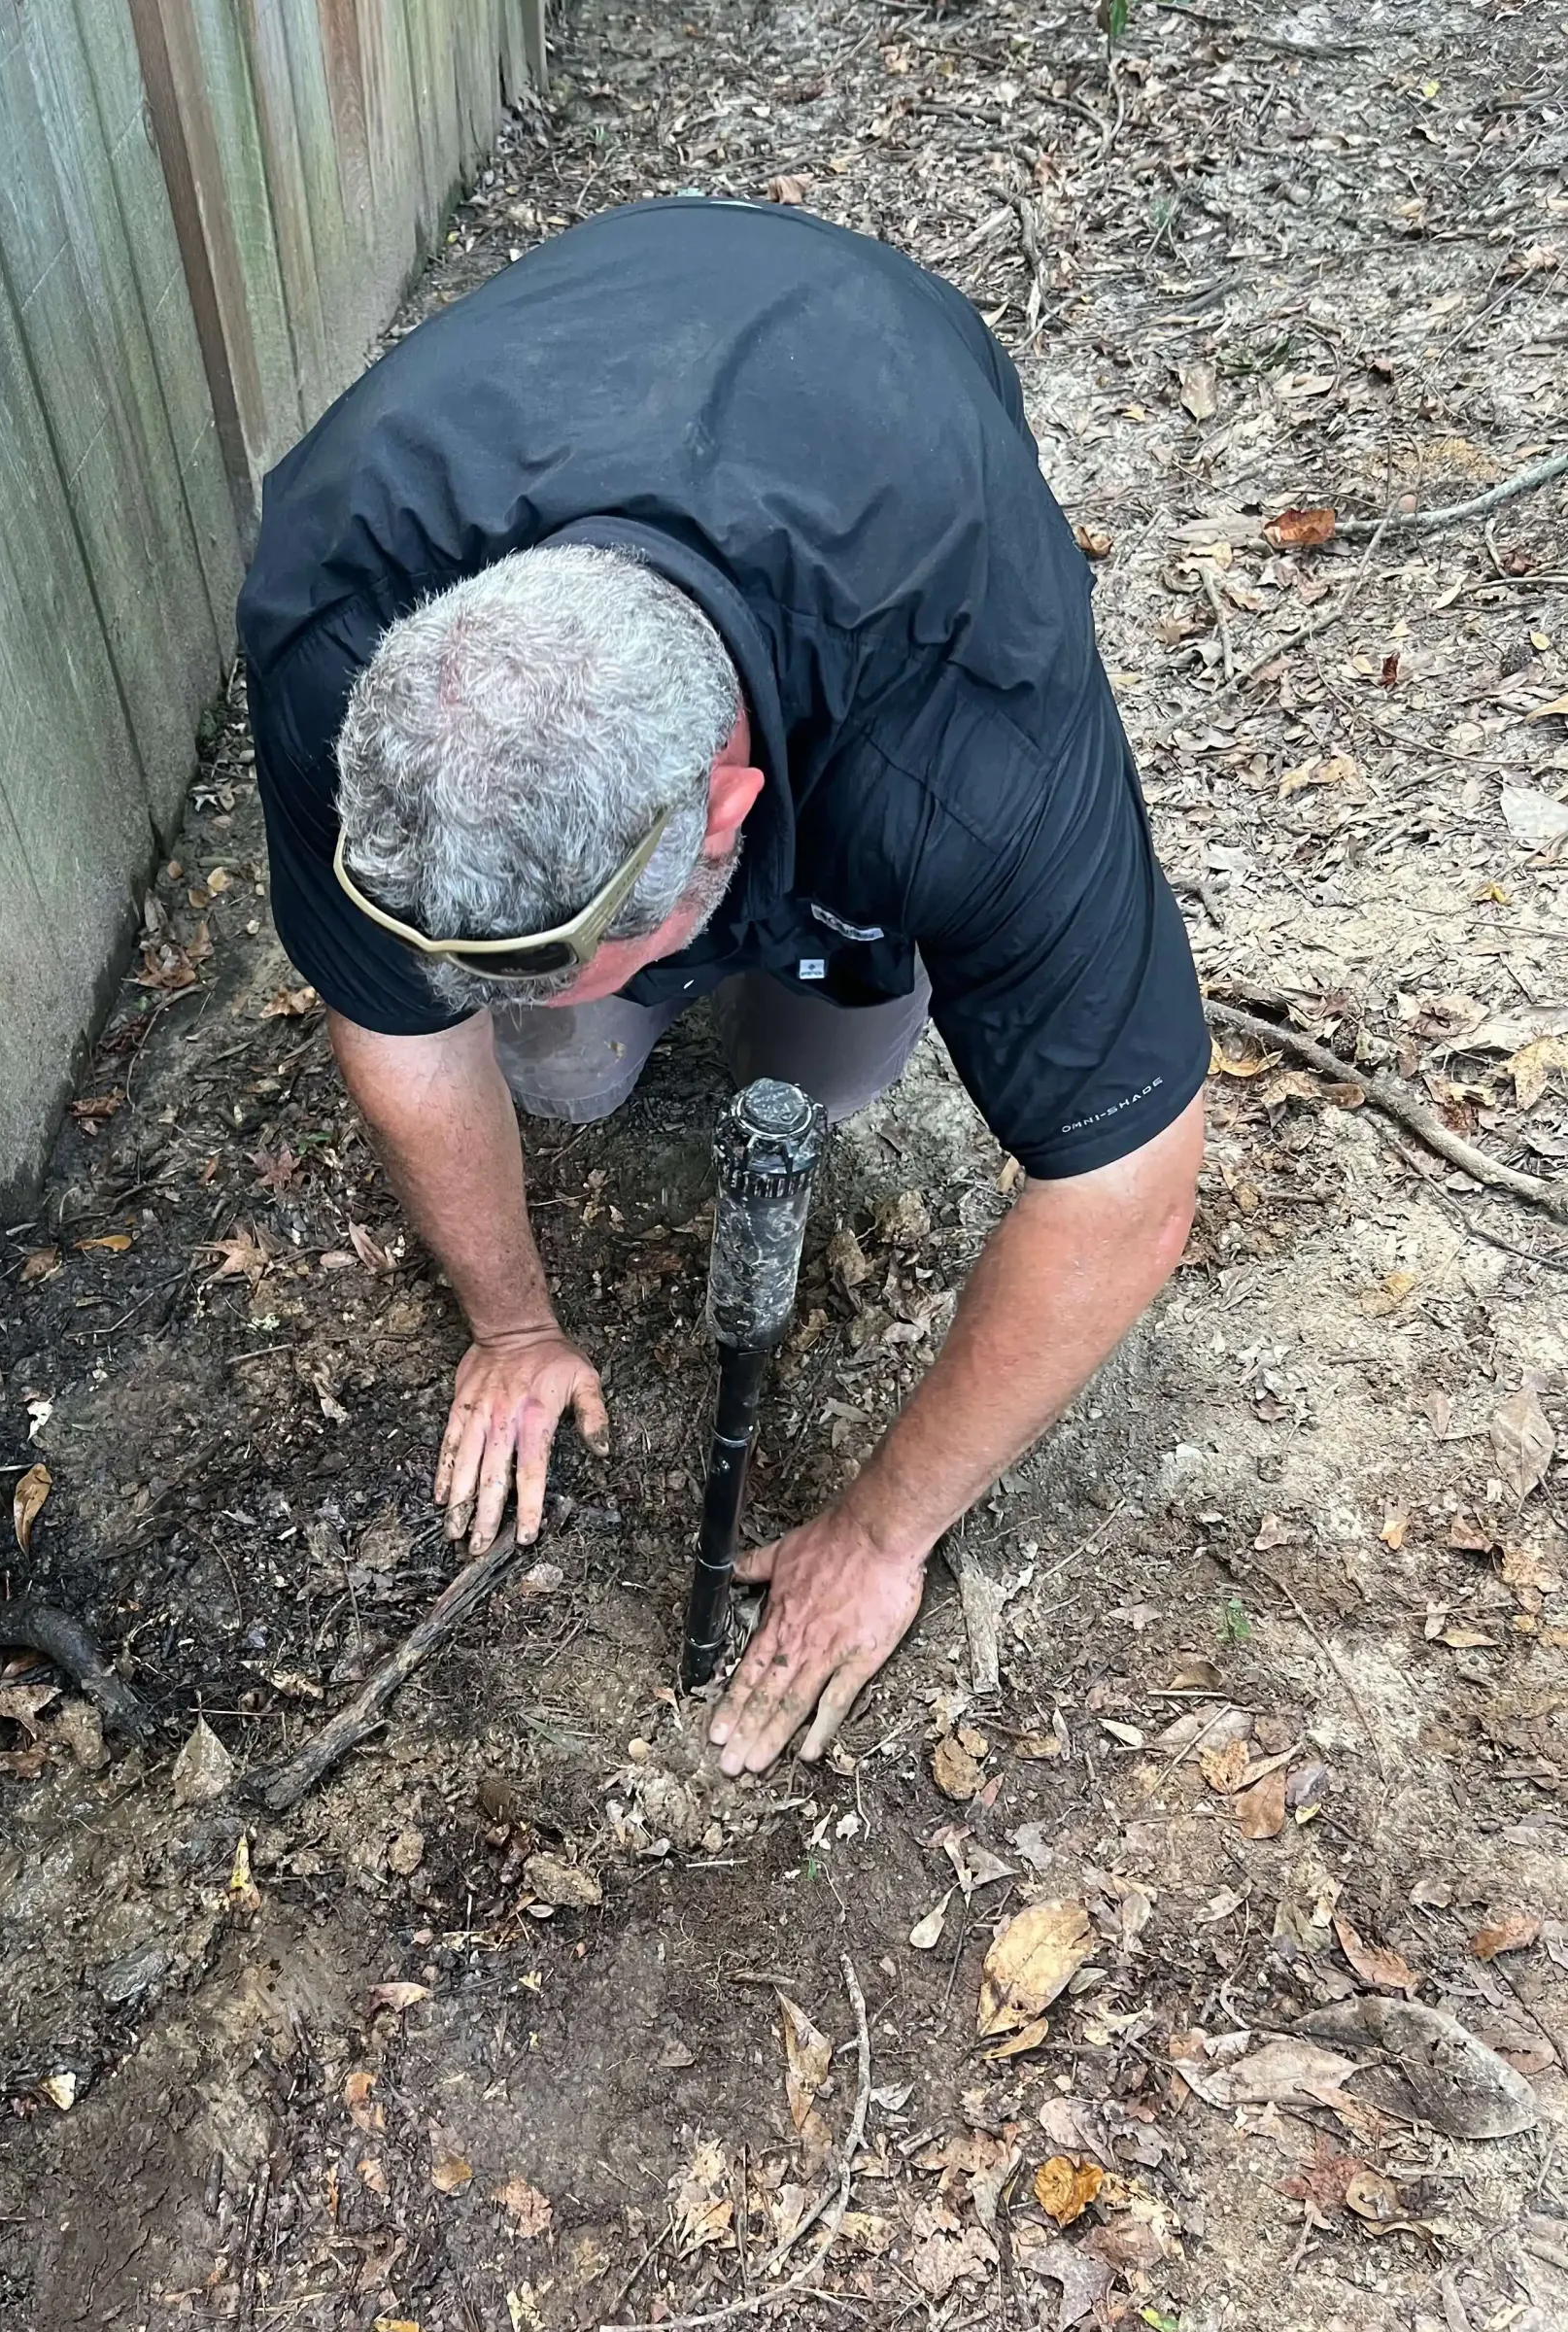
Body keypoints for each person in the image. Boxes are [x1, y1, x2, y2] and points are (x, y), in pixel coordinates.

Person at [238, 198, 1208, 1779]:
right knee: (562, 1071)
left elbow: (1127, 1188)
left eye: (563, 948)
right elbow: (401, 1022)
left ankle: (788, 975)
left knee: (826, 1071)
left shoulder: (965, 736)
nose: (464, 991)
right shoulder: (338, 613)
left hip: (866, 404)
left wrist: (886, 1532)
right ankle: (602, 1008)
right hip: (594, 358)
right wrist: (514, 1326)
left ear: (726, 823)